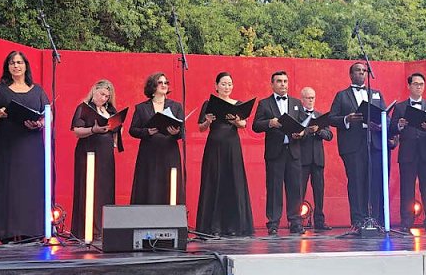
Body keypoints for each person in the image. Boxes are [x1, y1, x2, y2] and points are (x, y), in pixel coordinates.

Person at [0, 50, 49, 243]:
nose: (16, 66)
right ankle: (7, 232)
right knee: (8, 185)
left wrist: (40, 123)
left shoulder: (38, 90)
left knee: (31, 185)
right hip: (7, 143)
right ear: (7, 67)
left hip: (31, 143)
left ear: (26, 66)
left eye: (19, 62)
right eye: (12, 63)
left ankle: (33, 231)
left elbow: (47, 114)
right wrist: (0, 113)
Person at [195, 72, 254, 237]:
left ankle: (234, 226)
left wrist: (236, 121)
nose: (226, 87)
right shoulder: (209, 104)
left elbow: (243, 124)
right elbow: (201, 127)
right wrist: (208, 121)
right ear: (216, 86)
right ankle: (213, 226)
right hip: (214, 146)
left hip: (232, 146)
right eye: (223, 84)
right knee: (214, 182)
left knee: (232, 182)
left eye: (229, 84)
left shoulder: (238, 104)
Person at [329, 63, 387, 229]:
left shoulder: (376, 94)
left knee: (374, 182)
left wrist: (380, 125)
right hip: (353, 145)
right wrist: (346, 119)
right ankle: (358, 220)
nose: (361, 73)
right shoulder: (342, 95)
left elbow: (385, 115)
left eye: (364, 71)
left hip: (373, 143)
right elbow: (332, 118)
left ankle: (375, 219)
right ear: (351, 74)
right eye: (358, 71)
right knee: (356, 182)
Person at [69, 79, 123, 241]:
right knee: (88, 188)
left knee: (105, 189)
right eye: (102, 94)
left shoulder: (111, 110)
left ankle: (102, 229)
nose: (104, 98)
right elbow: (77, 131)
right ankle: (87, 229)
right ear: (94, 90)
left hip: (106, 154)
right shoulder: (84, 108)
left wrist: (116, 131)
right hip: (88, 152)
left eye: (107, 96)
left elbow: (117, 132)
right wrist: (93, 129)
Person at [253, 71, 305, 235]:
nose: (283, 84)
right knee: (274, 189)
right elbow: (255, 125)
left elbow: (305, 124)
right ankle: (273, 223)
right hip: (275, 153)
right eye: (279, 81)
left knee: (295, 188)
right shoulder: (264, 103)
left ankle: (295, 222)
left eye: (285, 81)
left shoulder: (296, 103)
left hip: (293, 151)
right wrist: (270, 123)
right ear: (272, 84)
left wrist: (302, 133)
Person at [389, 72, 426, 231]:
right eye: (416, 84)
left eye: (421, 84)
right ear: (409, 86)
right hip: (408, 153)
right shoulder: (400, 107)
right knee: (407, 188)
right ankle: (406, 221)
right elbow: (391, 128)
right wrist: (400, 125)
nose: (419, 87)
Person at [129, 72, 185, 205]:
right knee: (149, 185)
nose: (164, 85)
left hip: (169, 152)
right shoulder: (141, 107)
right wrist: (147, 131)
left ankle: (170, 215)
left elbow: (182, 131)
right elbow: (133, 130)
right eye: (160, 82)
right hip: (149, 153)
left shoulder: (176, 106)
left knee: (169, 184)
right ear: (152, 86)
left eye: (166, 83)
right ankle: (146, 215)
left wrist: (175, 132)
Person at [298, 87, 334, 231]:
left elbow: (329, 135)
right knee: (300, 190)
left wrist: (318, 130)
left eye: (313, 97)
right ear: (302, 99)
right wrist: (307, 130)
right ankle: (297, 222)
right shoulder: (298, 115)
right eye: (308, 98)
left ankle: (320, 220)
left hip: (318, 159)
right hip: (302, 158)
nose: (311, 100)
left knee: (319, 191)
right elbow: (295, 133)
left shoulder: (320, 116)